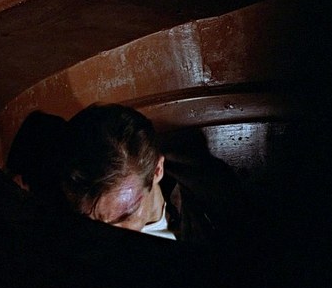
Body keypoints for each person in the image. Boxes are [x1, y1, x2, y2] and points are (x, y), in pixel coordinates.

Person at [60, 103, 249, 244]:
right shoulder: (65, 225)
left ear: (157, 170)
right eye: (94, 221)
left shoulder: (211, 198)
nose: (108, 235)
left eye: (126, 216)